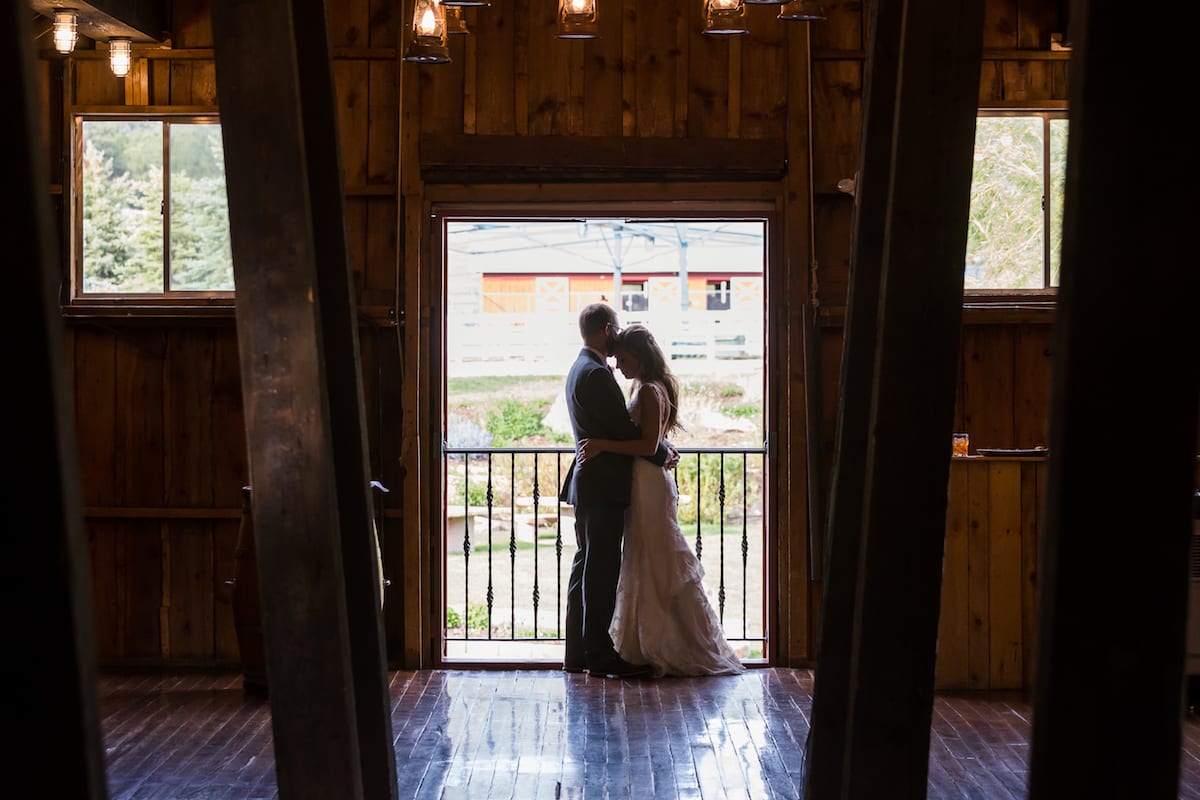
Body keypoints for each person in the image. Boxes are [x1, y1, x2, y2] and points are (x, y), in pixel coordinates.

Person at [578, 324, 745, 677]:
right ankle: (642, 642)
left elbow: (647, 446)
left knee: (656, 557)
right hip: (640, 481)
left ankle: (677, 642)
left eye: (624, 359)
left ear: (640, 357)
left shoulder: (652, 391)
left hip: (649, 483)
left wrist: (602, 444)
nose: (619, 366)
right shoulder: (642, 387)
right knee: (642, 558)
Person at [559, 304, 674, 679]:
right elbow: (624, 432)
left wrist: (656, 447)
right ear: (608, 329)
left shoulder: (580, 368)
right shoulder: (595, 375)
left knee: (586, 564)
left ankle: (577, 651)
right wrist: (662, 451)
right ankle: (599, 655)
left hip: (591, 483)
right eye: (617, 329)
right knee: (601, 569)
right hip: (602, 485)